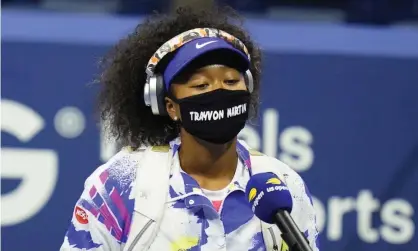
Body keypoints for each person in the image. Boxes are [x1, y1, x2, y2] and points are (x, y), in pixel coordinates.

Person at [60, 5, 319, 251]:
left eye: (231, 81)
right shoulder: (120, 184)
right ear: (171, 107)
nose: (219, 91)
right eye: (201, 86)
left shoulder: (282, 185)